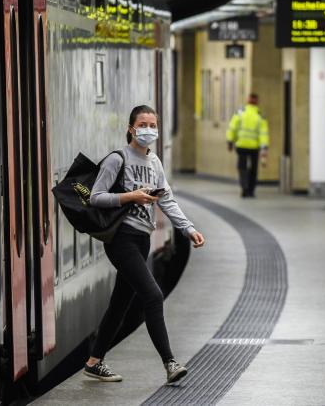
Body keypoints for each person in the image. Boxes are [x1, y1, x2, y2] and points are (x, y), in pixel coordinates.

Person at [85, 105, 206, 384]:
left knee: (120, 302)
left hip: (142, 239)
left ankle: (94, 362)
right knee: (152, 295)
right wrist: (131, 196)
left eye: (153, 125)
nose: (148, 129)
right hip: (121, 238)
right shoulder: (117, 159)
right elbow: (95, 197)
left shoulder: (154, 162)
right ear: (131, 129)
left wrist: (188, 229)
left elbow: (167, 200)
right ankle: (170, 363)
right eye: (142, 124)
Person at [226, 93, 270, 198]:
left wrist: (230, 141)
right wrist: (264, 147)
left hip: (241, 145)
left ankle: (244, 188)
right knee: (253, 169)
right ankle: (251, 190)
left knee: (242, 168)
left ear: (248, 100)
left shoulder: (240, 113)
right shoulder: (260, 116)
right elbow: (263, 134)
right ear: (257, 101)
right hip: (254, 147)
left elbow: (232, 128)